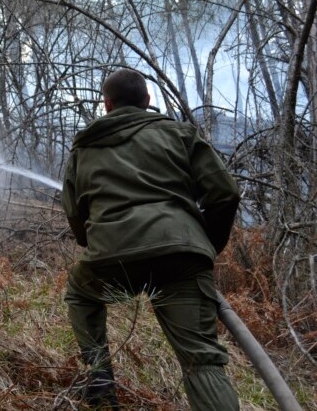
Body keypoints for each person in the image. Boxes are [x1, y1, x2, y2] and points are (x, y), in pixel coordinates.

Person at [61, 69, 241, 410]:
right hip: (182, 260)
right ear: (147, 101)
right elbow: (225, 192)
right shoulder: (180, 134)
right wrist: (205, 245)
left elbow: (75, 219)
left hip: (112, 260)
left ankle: (99, 376)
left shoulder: (84, 149)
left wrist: (101, 239)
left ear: (107, 104)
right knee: (201, 362)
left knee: (80, 294)